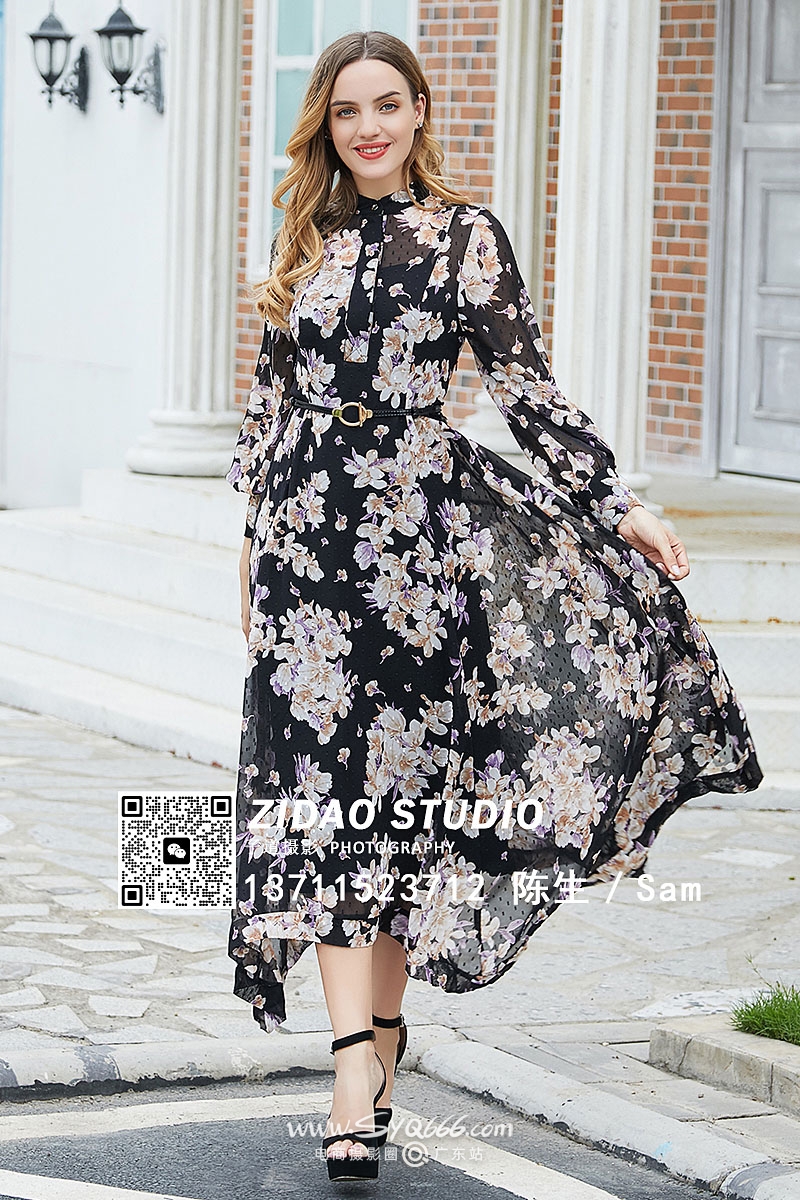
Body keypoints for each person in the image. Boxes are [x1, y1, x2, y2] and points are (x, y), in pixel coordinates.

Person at [225, 30, 763, 1181]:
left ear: (419, 110)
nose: (366, 128)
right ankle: (353, 1067)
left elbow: (523, 389)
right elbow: (268, 401)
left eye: (385, 104)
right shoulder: (303, 234)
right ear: (325, 125)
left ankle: (374, 1042)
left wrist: (616, 505)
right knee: (320, 812)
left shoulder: (464, 235)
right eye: (345, 111)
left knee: (394, 815)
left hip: (417, 560)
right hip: (306, 557)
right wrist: (250, 534)